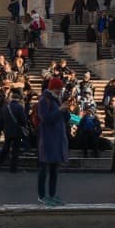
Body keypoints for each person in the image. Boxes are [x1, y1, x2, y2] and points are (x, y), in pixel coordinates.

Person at [37, 77, 69, 206]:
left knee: (55, 170)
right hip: (48, 139)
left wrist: (66, 110)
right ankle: (42, 196)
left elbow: (64, 118)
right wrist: (59, 110)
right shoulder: (44, 100)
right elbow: (45, 118)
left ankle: (52, 194)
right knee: (44, 169)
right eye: (58, 89)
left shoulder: (57, 100)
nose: (60, 91)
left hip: (58, 139)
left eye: (60, 89)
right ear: (52, 88)